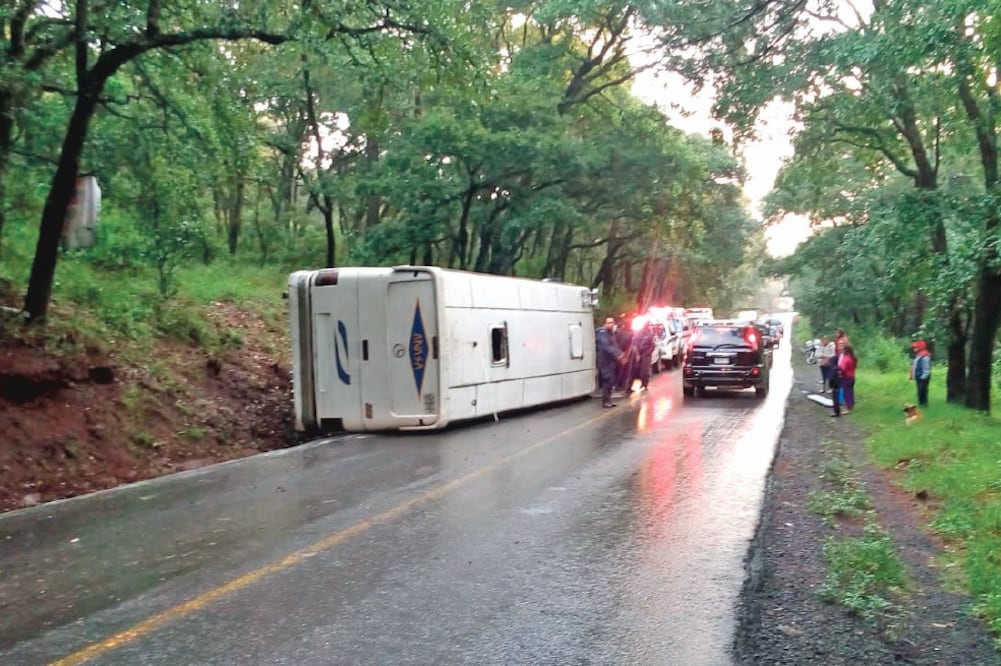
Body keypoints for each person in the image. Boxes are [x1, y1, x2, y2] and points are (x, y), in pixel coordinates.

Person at [596, 317, 623, 408]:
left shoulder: (611, 334)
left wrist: (619, 353)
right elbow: (606, 346)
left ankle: (609, 400)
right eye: (609, 323)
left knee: (611, 381)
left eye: (612, 322)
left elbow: (614, 345)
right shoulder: (603, 334)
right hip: (605, 362)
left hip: (611, 361)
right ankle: (605, 401)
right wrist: (618, 354)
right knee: (607, 381)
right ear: (605, 324)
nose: (611, 324)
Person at [634, 319, 656, 391]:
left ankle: (645, 385)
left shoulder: (650, 334)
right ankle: (642, 384)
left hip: (646, 355)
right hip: (640, 354)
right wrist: (637, 353)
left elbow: (652, 345)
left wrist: (648, 353)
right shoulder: (640, 333)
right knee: (639, 371)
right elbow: (636, 342)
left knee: (645, 371)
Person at [910, 339, 932, 406]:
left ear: (921, 347)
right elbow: (915, 366)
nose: (914, 348)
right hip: (919, 377)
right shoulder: (918, 355)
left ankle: (924, 404)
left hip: (923, 377)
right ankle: (921, 404)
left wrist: (923, 377)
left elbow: (926, 368)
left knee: (922, 391)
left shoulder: (925, 356)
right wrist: (913, 375)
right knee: (920, 391)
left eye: (916, 347)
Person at [839, 344, 858, 413]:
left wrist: (839, 373)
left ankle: (848, 408)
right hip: (852, 377)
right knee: (851, 392)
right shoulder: (853, 358)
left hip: (846, 377)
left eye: (843, 349)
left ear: (845, 350)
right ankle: (851, 406)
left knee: (847, 393)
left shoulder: (846, 358)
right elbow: (855, 366)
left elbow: (842, 369)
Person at [828, 340, 843, 417]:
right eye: (839, 345)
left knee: (838, 394)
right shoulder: (834, 358)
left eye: (842, 345)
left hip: (843, 377)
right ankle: (837, 411)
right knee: (835, 394)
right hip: (836, 378)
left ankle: (838, 411)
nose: (840, 347)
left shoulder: (846, 357)